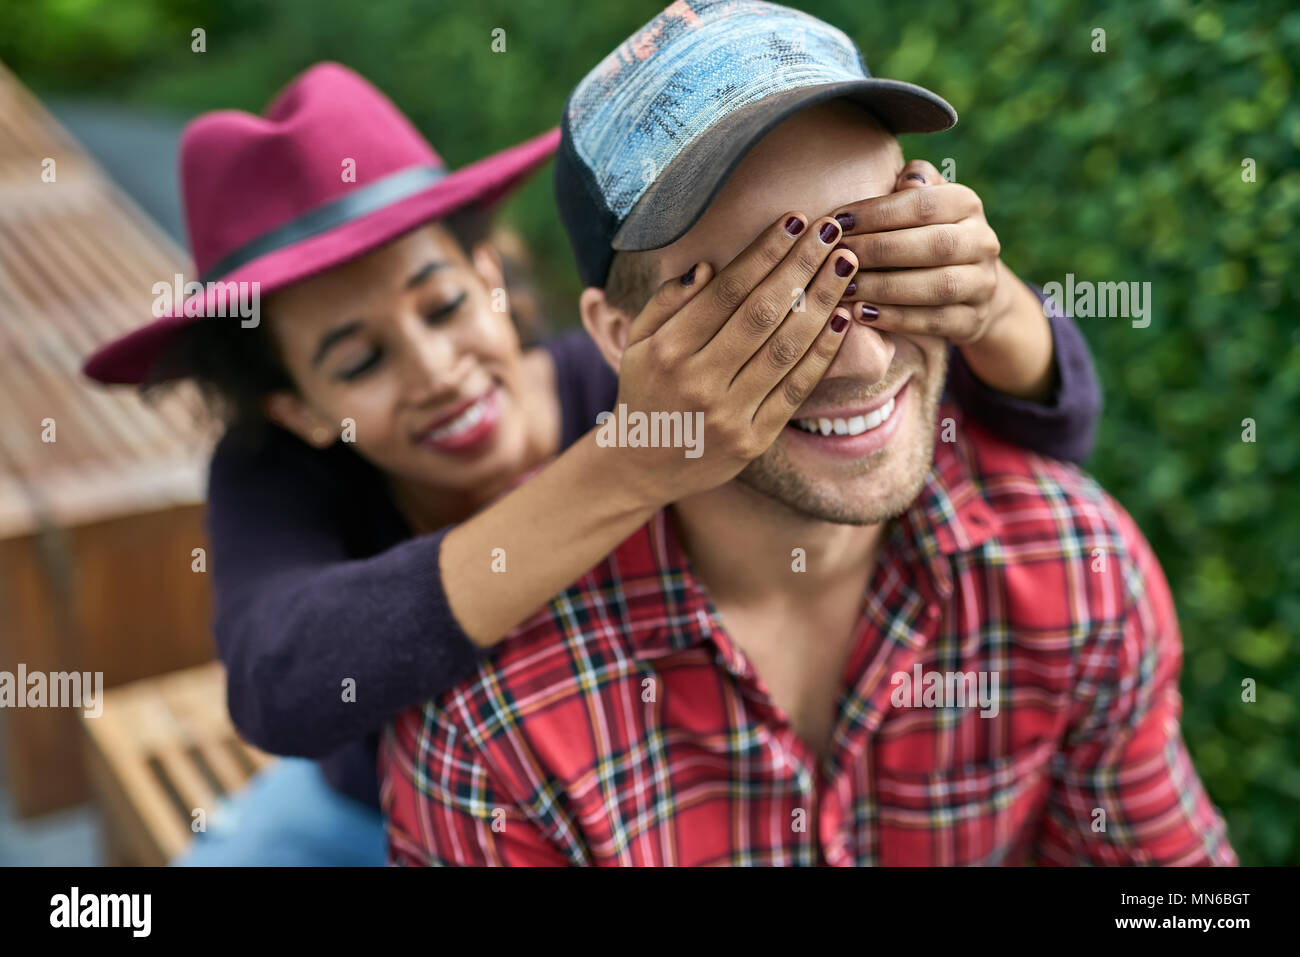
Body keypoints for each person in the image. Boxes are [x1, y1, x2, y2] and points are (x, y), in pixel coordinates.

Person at [84, 56, 1100, 865]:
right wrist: (634, 462)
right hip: (355, 812)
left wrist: (987, 300)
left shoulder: (629, 376)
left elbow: (1025, 432)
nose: (438, 370)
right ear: (297, 407)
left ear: (492, 273)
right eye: (359, 363)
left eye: (444, 305)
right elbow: (281, 683)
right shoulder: (280, 474)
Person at [380, 0, 1236, 866]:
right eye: (759, 303)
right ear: (616, 336)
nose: (863, 357)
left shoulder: (1074, 570)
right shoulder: (495, 731)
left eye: (885, 259)